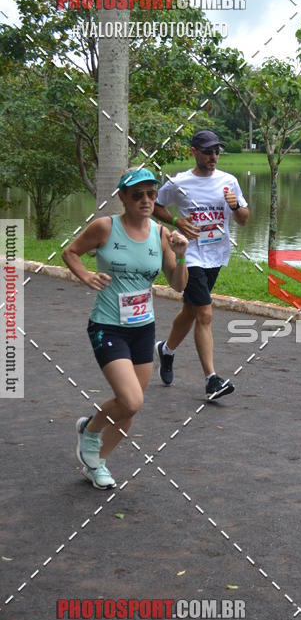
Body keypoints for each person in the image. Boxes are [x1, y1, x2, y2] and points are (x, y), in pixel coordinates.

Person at [62, 168, 189, 488]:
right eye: (137, 195)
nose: (146, 200)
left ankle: (97, 463)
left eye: (151, 194)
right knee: (131, 400)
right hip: (107, 326)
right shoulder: (105, 227)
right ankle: (89, 432)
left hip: (142, 328)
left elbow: (177, 285)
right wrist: (86, 276)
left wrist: (181, 256)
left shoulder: (160, 234)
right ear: (122, 197)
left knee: (131, 407)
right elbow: (70, 252)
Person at [152, 130, 249, 399]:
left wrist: (235, 206)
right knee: (205, 313)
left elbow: (244, 219)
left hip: (216, 255)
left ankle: (166, 350)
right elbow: (155, 207)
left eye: (217, 151)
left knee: (191, 311)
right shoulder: (179, 183)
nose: (213, 156)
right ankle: (211, 380)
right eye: (207, 152)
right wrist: (175, 222)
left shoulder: (229, 182)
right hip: (190, 256)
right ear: (193, 152)